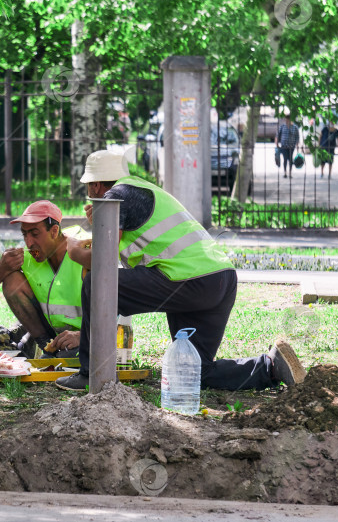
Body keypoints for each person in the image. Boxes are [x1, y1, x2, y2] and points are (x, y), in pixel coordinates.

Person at [54, 150, 307, 392]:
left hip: (187, 281)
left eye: (89, 188)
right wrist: (98, 219)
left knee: (97, 283)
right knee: (193, 370)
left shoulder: (116, 196)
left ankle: (89, 373)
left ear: (96, 185)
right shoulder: (141, 190)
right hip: (220, 279)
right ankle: (272, 367)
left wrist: (74, 250)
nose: (89, 194)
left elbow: (102, 260)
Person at [0, 200, 84, 358]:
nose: (29, 242)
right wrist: (2, 266)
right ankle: (46, 345)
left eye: (35, 234)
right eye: (25, 234)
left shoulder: (84, 252)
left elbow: (113, 306)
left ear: (54, 231)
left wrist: (82, 336)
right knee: (11, 278)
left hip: (88, 334)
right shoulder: (26, 257)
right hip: (52, 334)